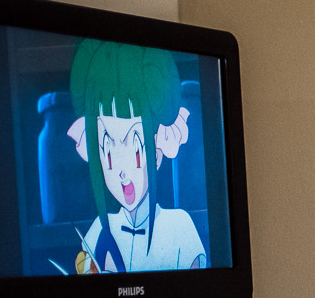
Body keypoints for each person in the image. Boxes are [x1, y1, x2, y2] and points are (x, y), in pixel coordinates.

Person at [64, 38, 208, 274]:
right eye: (108, 153)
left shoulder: (180, 228)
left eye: (137, 148)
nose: (122, 171)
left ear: (159, 148)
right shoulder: (97, 234)